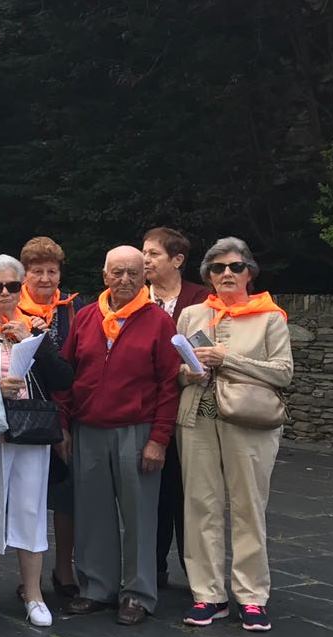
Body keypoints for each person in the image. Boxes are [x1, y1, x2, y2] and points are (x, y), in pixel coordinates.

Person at [177, 238, 292, 632]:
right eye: (218, 267)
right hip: (198, 418)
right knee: (201, 505)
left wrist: (228, 359)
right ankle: (208, 594)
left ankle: (252, 596)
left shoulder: (269, 317)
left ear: (249, 273)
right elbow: (177, 370)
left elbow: (283, 372)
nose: (227, 273)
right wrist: (189, 372)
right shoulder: (191, 315)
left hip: (249, 421)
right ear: (208, 275)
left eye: (236, 267)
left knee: (248, 507)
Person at [62, 246, 180, 626]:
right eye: (118, 273)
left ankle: (138, 593)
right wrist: (63, 424)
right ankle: (97, 587)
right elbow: (67, 374)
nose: (125, 280)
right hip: (89, 427)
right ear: (104, 275)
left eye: (133, 272)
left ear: (144, 276)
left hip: (137, 429)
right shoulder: (85, 317)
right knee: (92, 512)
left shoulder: (158, 322)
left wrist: (159, 438)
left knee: (139, 515)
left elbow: (169, 384)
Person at [0, 256, 73, 628]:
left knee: (31, 510)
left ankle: (34, 592)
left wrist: (35, 343)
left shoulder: (37, 328)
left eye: (11, 286)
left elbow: (62, 379)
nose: (5, 293)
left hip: (32, 432)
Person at [16, 236, 86, 599]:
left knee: (65, 494)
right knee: (26, 497)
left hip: (67, 410)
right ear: (24, 275)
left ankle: (63, 568)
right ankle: (28, 574)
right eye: (37, 271)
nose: (45, 279)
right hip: (27, 413)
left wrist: (65, 421)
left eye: (52, 271)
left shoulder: (72, 310)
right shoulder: (14, 308)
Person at [142, 226, 210, 591]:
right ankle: (150, 570)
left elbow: (209, 350)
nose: (145, 260)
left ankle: (198, 577)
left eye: (153, 253)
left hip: (189, 414)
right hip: (146, 412)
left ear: (178, 259)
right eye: (144, 253)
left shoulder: (202, 301)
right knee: (153, 496)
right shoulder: (135, 300)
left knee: (190, 496)